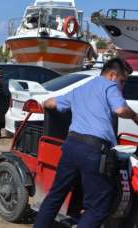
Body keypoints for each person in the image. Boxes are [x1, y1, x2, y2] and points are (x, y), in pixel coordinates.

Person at [34, 58, 138, 228]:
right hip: (93, 152)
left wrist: (44, 106)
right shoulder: (110, 85)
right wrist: (135, 116)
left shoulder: (80, 89)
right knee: (99, 208)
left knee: (55, 196)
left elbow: (49, 102)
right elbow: (119, 109)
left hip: (70, 147)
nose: (123, 86)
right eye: (123, 81)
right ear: (112, 76)